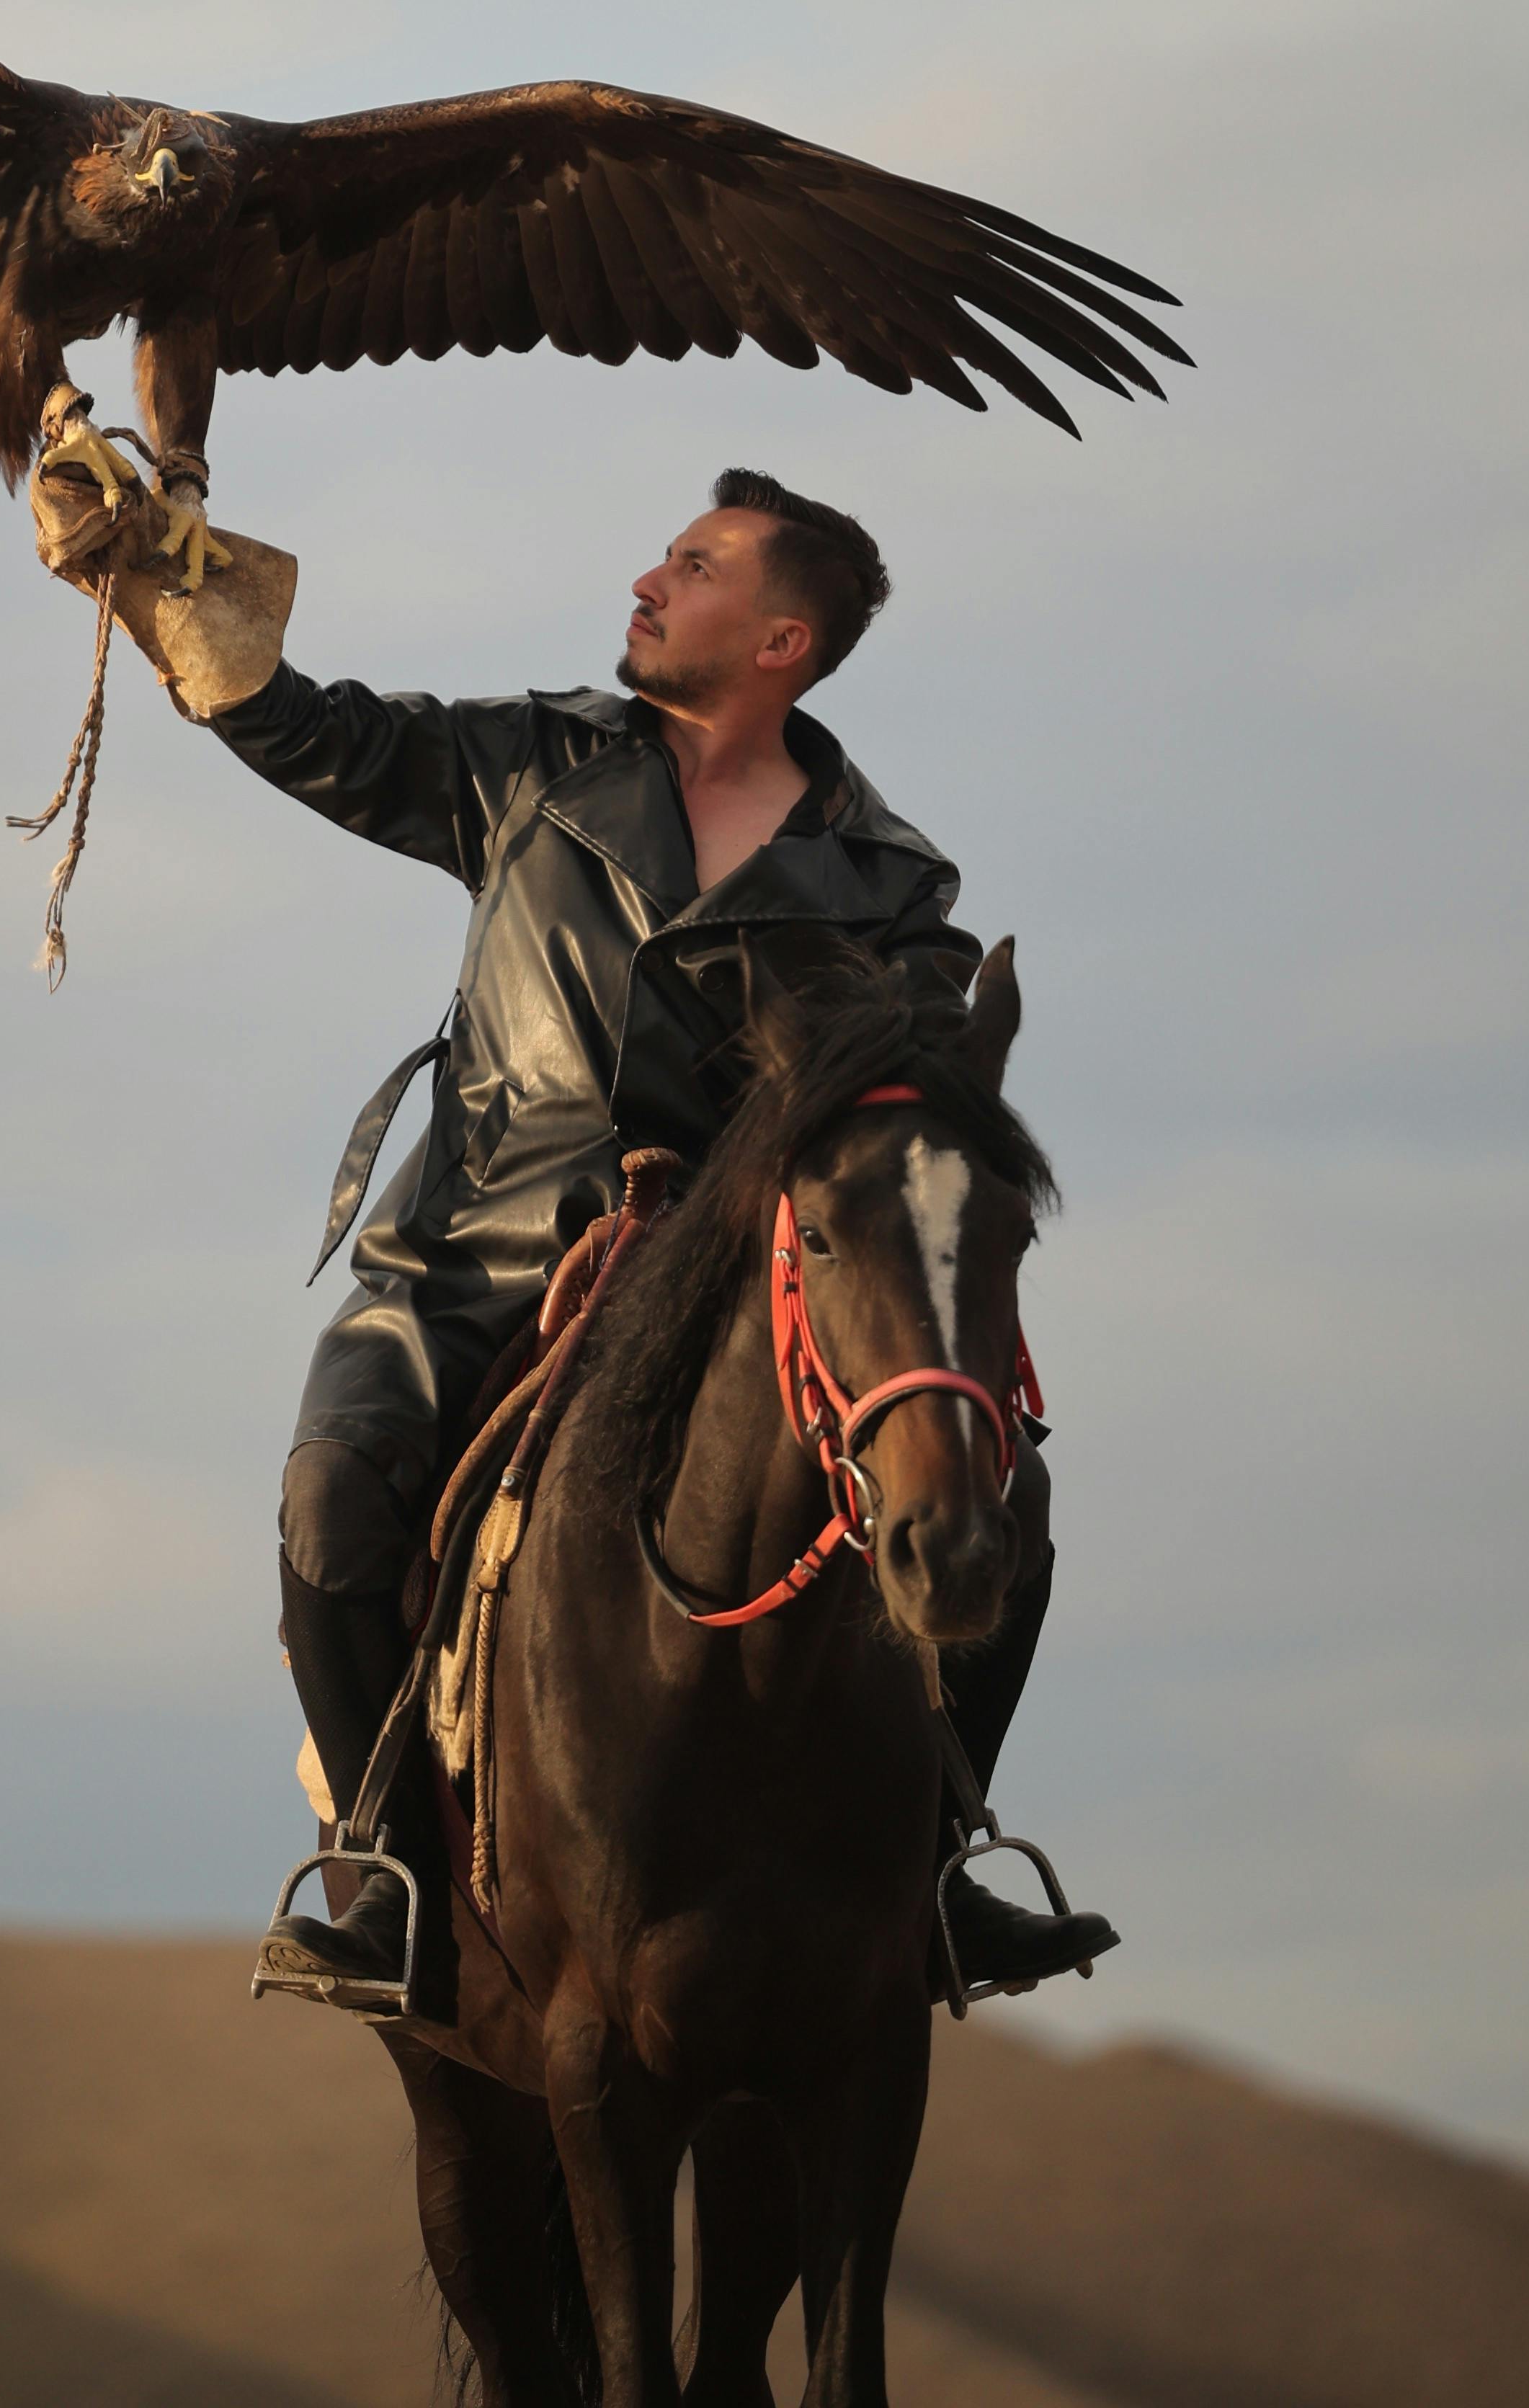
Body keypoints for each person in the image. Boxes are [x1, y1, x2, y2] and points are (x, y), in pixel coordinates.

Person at [208, 467, 1118, 2009]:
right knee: (329, 1490)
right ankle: (383, 1866)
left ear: (780, 638)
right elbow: (324, 735)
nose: (647, 578)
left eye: (691, 565)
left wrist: (680, 1209)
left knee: (1003, 1511)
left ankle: (945, 1855)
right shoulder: (534, 762)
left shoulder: (893, 888)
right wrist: (183, 613)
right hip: (472, 1249)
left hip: (729, 1282)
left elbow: (900, 1115)